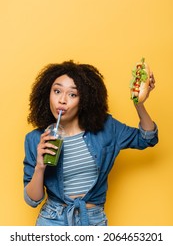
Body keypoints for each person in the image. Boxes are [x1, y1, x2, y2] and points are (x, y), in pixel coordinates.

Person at [23, 60, 158, 226]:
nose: (62, 100)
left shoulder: (107, 128)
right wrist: (40, 167)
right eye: (57, 91)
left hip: (93, 219)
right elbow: (32, 200)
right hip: (52, 220)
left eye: (72, 94)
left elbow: (147, 138)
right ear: (47, 94)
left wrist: (139, 103)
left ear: (85, 99)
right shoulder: (36, 139)